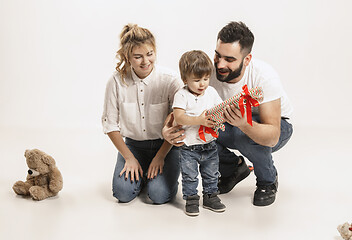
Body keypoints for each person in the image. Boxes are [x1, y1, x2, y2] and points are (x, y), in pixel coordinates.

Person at [163, 21, 293, 207]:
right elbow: (182, 105)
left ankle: (267, 180)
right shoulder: (207, 72)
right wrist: (167, 131)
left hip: (276, 127)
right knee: (195, 134)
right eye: (218, 56)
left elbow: (272, 137)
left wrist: (244, 124)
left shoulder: (264, 78)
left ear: (247, 60)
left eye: (230, 60)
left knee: (242, 135)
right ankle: (233, 168)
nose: (220, 64)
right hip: (229, 122)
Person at [102, 24, 183, 204]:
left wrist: (160, 156)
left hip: (166, 147)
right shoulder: (115, 82)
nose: (145, 61)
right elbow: (110, 125)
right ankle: (144, 173)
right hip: (133, 147)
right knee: (122, 194)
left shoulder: (170, 80)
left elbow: (178, 125)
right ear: (127, 57)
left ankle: (159, 179)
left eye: (150, 54)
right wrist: (129, 158)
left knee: (158, 196)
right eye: (137, 57)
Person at [172, 50, 225, 216]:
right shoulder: (182, 95)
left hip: (209, 144)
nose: (202, 84)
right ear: (185, 79)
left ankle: (210, 196)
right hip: (189, 147)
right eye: (197, 80)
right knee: (190, 176)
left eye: (206, 78)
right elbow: (179, 117)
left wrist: (219, 120)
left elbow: (221, 110)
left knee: (211, 173)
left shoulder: (212, 93)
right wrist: (199, 120)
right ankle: (191, 199)